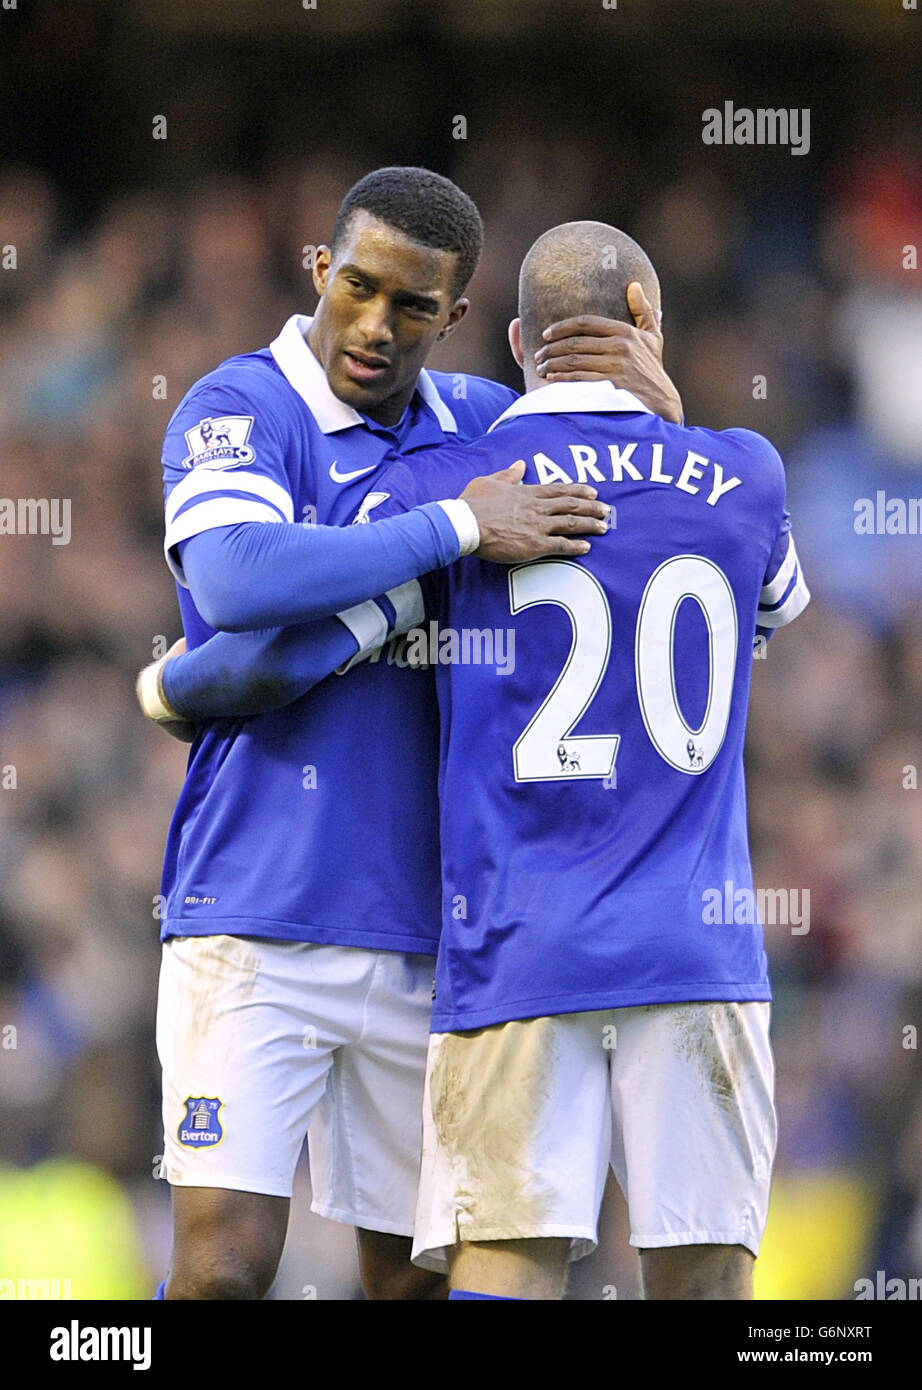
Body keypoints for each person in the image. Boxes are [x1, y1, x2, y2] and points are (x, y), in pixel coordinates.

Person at [139, 168, 683, 1300]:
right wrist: (452, 527)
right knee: (223, 1270)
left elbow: (649, 526)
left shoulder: (487, 424)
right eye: (361, 289)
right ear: (319, 270)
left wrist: (664, 423)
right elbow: (239, 577)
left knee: (409, 1283)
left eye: (414, 307)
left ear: (458, 316)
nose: (378, 328)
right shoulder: (240, 409)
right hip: (255, 913)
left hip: (432, 934)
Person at [355, 221, 810, 1299]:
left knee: (505, 1273)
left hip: (517, 944)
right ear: (647, 319)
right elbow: (774, 606)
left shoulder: (453, 480)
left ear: (518, 341)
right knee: (707, 1289)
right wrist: (677, 438)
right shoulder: (742, 472)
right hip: (693, 947)